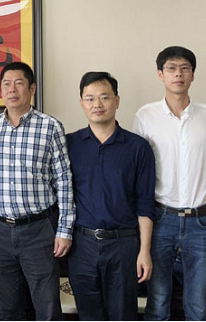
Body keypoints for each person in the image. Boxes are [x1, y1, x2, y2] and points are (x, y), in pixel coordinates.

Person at [0, 61, 75, 321]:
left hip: (39, 230)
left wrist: (64, 230)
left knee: (47, 307)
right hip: (0, 231)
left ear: (32, 89)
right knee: (7, 307)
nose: (12, 89)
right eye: (6, 84)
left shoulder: (50, 126)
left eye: (19, 83)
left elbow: (64, 180)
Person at [133, 46, 206, 321]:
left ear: (193, 74)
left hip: (201, 221)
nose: (178, 74)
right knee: (158, 303)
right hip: (161, 219)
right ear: (161, 74)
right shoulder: (145, 116)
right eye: (171, 68)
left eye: (184, 68)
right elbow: (139, 174)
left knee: (198, 305)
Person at [66, 71, 155, 320]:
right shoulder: (69, 145)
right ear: (82, 103)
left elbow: (146, 203)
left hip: (123, 245)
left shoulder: (138, 147)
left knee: (123, 314)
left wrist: (144, 251)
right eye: (90, 98)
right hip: (81, 245)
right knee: (88, 315)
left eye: (104, 97)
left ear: (117, 101)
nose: (97, 104)